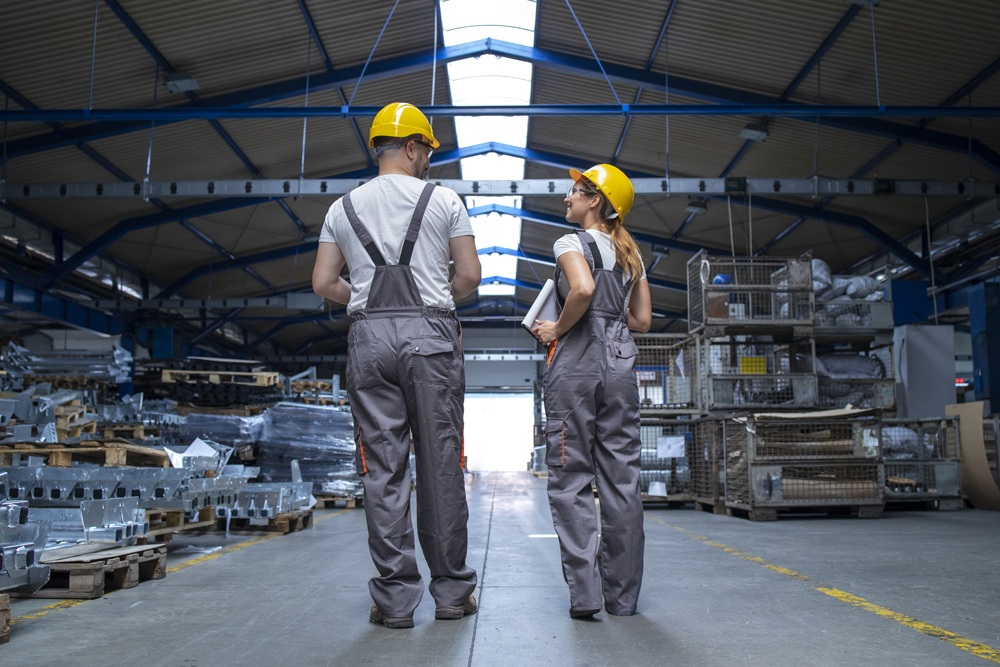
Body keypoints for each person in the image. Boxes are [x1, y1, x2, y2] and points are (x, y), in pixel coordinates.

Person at [312, 102, 482, 629]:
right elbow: (470, 277)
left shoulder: (341, 208)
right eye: (427, 149)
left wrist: (362, 298)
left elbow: (323, 283)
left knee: (383, 471)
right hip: (429, 337)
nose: (428, 159)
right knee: (440, 466)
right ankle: (451, 594)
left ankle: (393, 602)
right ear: (411, 147)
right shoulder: (444, 200)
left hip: (368, 339)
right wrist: (436, 299)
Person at [531, 163, 652, 619]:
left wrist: (556, 329)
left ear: (595, 200)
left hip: (577, 361)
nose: (567, 198)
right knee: (622, 481)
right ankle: (622, 599)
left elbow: (580, 289)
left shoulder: (570, 243)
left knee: (571, 477)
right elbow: (641, 321)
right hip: (621, 362)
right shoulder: (631, 254)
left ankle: (585, 596)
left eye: (575, 192)